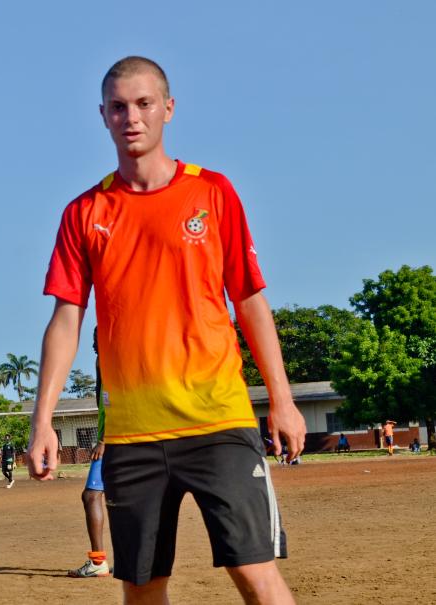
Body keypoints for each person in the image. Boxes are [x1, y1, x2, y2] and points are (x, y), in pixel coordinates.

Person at [28, 57, 306, 603]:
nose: (131, 117)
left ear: (168, 109)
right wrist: (42, 419)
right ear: (103, 116)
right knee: (143, 587)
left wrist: (283, 398)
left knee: (254, 572)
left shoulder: (213, 192)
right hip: (133, 436)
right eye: (118, 106)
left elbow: (249, 300)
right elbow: (66, 319)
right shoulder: (84, 212)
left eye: (144, 103)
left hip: (218, 421)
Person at [69, 329, 109, 578]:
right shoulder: (102, 360)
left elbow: (119, 398)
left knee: (91, 496)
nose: (93, 345)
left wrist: (104, 439)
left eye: (97, 340)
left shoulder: (111, 360)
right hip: (117, 434)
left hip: (115, 438)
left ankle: (97, 562)